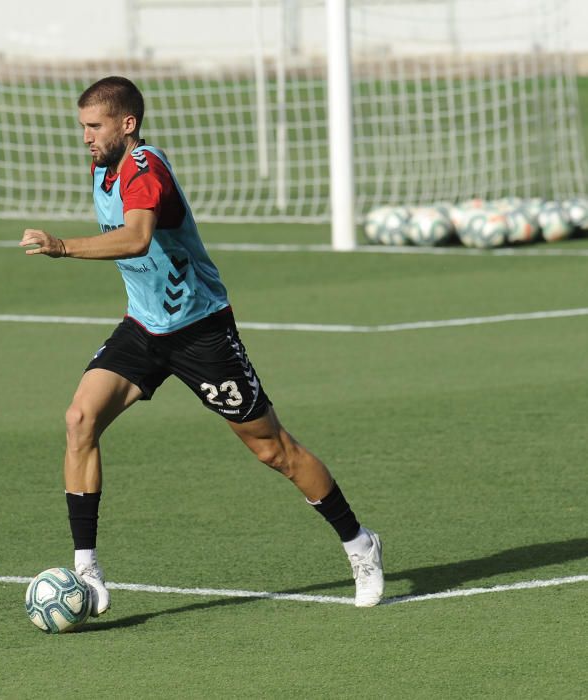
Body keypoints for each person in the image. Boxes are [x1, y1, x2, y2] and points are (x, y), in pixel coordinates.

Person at [20, 76, 383, 613]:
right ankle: (88, 574)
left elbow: (138, 237)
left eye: (95, 127)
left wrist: (63, 247)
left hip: (201, 332)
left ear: (128, 124)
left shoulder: (146, 170)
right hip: (144, 329)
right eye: (82, 127)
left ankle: (360, 544)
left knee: (272, 450)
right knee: (79, 420)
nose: (86, 138)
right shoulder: (102, 169)